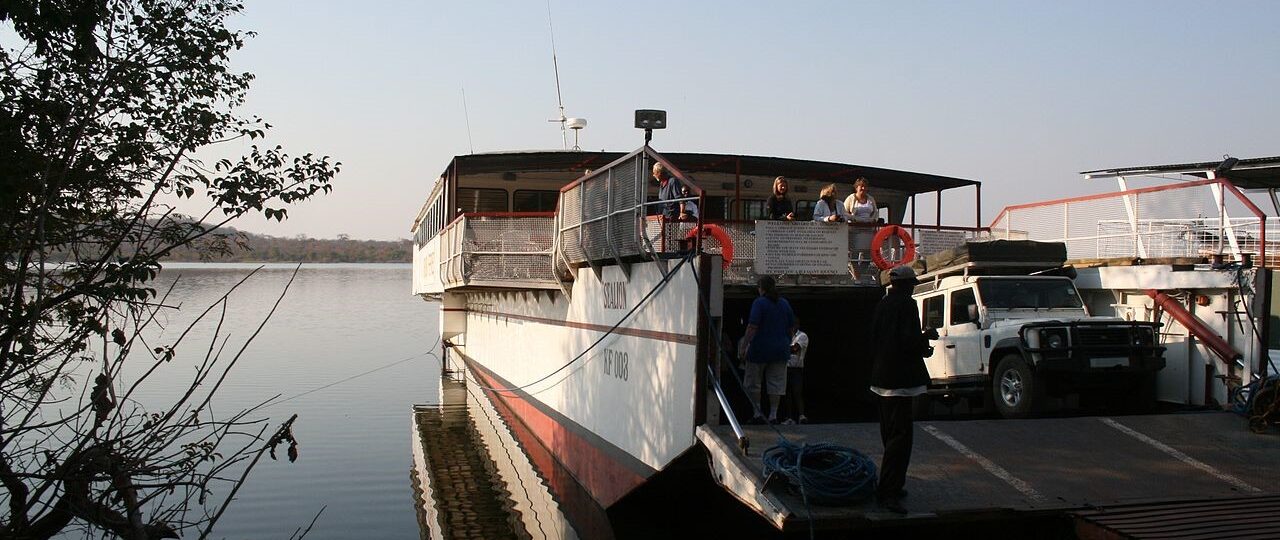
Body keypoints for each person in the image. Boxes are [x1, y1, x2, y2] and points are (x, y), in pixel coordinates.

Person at [868, 265, 931, 514]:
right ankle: (888, 491)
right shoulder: (908, 304)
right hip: (901, 381)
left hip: (881, 379)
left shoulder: (882, 304)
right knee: (901, 439)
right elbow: (908, 340)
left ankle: (894, 484)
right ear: (906, 285)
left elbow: (875, 338)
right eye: (912, 283)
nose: (914, 287)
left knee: (889, 434)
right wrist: (925, 340)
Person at [738, 275, 796, 424]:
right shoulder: (784, 303)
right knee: (776, 383)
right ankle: (773, 415)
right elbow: (791, 327)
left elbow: (752, 327)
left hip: (760, 349)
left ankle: (757, 413)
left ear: (761, 288)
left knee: (753, 382)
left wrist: (744, 347)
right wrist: (787, 342)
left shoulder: (759, 303)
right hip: (780, 350)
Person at [781, 322, 809, 425]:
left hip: (796, 368)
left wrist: (781, 349)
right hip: (785, 368)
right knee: (786, 392)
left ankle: (801, 415)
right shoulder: (785, 335)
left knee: (797, 391)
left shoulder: (802, 336)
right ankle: (789, 417)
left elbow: (795, 349)